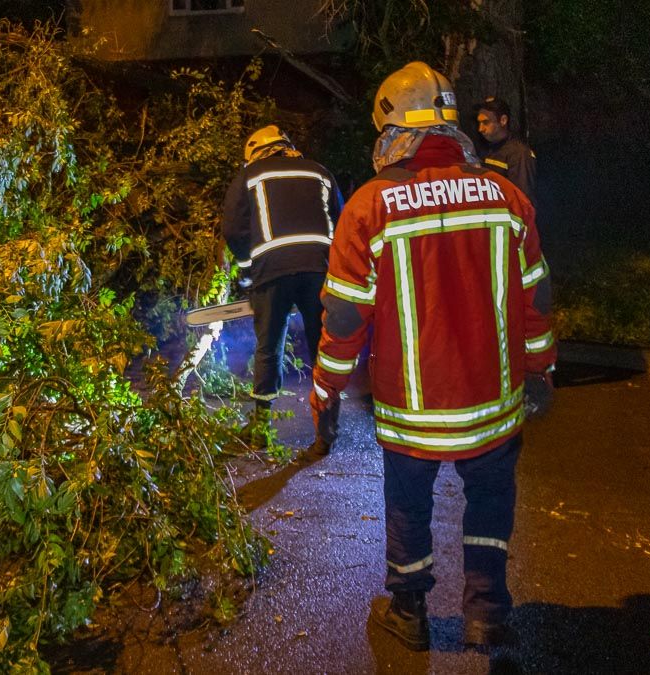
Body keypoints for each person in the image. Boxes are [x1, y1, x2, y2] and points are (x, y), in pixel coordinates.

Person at [309, 62, 556, 651]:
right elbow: (536, 297)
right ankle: (487, 612)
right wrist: (540, 370)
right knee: (491, 502)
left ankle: (409, 613)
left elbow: (345, 318)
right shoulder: (506, 195)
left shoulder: (370, 206)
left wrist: (325, 388)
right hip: (494, 402)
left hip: (411, 409)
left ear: (397, 128)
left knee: (409, 507)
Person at [223, 125, 344, 448]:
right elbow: (340, 218)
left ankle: (261, 426)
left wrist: (249, 269)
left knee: (269, 346)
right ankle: (327, 427)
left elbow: (233, 229)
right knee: (323, 348)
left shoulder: (249, 176)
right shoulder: (320, 172)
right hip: (320, 269)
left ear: (255, 153)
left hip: (271, 271)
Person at [476, 96, 538, 205]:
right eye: (479, 123)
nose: (480, 129)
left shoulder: (519, 154)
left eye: (486, 122)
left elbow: (523, 200)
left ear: (503, 120)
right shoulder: (486, 149)